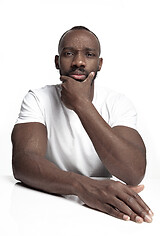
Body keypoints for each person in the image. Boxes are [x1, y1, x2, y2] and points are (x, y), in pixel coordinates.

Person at [12, 26, 154, 223]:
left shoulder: (117, 103)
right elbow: (23, 163)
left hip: (101, 215)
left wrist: (82, 104)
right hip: (44, 206)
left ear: (100, 63)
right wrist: (83, 187)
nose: (78, 62)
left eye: (89, 54)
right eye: (69, 53)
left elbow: (133, 173)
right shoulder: (38, 99)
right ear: (57, 61)